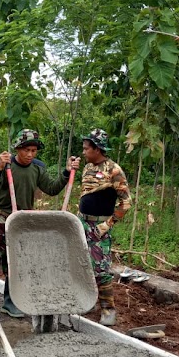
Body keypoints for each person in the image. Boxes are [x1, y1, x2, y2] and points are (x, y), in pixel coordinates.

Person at [0, 129, 80, 320]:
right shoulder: (6, 165)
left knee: (16, 263)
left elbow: (52, 189)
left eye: (33, 150)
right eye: (26, 150)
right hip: (1, 219)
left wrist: (66, 172)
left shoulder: (37, 167)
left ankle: (10, 302)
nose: (30, 154)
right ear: (17, 149)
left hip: (21, 222)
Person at [78, 128, 132, 326]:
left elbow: (126, 203)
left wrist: (107, 225)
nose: (83, 152)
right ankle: (88, 301)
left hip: (100, 226)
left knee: (101, 268)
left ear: (97, 149)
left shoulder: (114, 170)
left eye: (86, 149)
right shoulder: (87, 168)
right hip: (82, 223)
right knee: (82, 263)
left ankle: (108, 309)